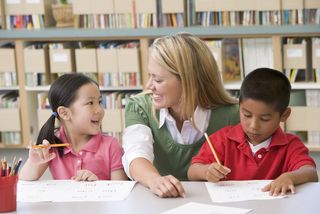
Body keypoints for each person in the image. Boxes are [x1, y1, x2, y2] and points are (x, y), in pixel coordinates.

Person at [122, 33, 240, 198]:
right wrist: (154, 180)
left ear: (188, 81)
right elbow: (136, 153)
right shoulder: (139, 107)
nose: (149, 86)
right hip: (156, 202)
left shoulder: (234, 115)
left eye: (158, 80)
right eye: (150, 76)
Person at [188, 68, 318, 196]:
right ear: (239, 108)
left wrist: (290, 177)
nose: (254, 126)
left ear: (284, 115)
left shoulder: (290, 144)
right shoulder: (223, 139)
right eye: (247, 115)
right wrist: (206, 171)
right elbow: (192, 171)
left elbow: (310, 172)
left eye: (265, 119)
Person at [20, 73, 127, 181]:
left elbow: (122, 190)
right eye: (90, 103)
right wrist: (33, 163)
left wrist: (97, 185)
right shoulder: (52, 145)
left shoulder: (111, 146)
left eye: (99, 102)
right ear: (64, 113)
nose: (100, 110)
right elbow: (24, 182)